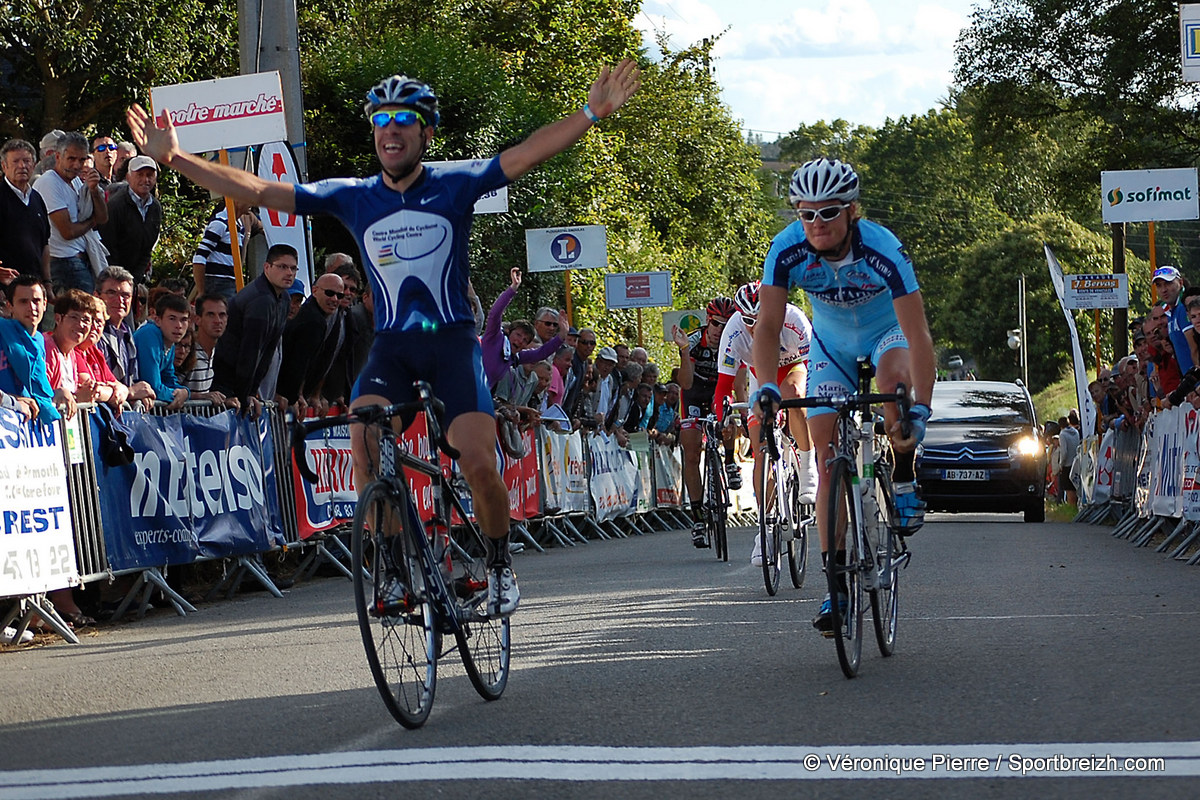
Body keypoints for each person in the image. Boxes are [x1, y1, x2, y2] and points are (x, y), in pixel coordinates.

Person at [129, 60, 640, 618]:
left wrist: (592, 113)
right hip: (392, 348)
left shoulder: (455, 184)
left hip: (451, 345)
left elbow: (525, 153)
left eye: (404, 120)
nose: (390, 131)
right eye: (381, 122)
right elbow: (258, 188)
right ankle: (394, 570)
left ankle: (498, 566)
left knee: (478, 463)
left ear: (425, 132)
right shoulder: (355, 196)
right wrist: (175, 158)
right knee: (365, 440)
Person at [755, 157, 935, 634]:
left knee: (894, 391)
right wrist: (768, 384)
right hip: (830, 346)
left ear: (852, 211)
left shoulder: (883, 249)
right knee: (828, 456)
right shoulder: (786, 248)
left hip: (887, 336)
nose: (816, 224)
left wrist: (922, 407)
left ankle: (902, 469)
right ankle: (835, 589)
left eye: (829, 212)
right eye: (805, 213)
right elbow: (769, 325)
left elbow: (918, 336)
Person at [714, 281, 817, 567]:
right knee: (760, 447)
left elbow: (815, 365)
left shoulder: (793, 318)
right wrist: (722, 414)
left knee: (795, 396)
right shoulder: (733, 331)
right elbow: (723, 386)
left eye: (759, 317)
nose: (753, 324)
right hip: (761, 374)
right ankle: (764, 527)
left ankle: (808, 465)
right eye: (747, 319)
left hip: (794, 367)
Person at [209, 244, 297, 411]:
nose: (289, 273)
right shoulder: (260, 300)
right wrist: (245, 396)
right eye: (282, 267)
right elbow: (250, 352)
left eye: (293, 268)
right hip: (226, 382)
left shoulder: (283, 298)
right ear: (267, 267)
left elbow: (269, 350)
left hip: (244, 386)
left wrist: (252, 391)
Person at [680, 297, 739, 546]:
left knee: (728, 413)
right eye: (716, 324)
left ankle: (729, 460)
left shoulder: (736, 340)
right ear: (708, 320)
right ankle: (697, 518)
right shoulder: (693, 341)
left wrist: (740, 414)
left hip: (720, 389)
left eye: (726, 325)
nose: (719, 330)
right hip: (694, 390)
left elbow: (740, 386)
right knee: (691, 454)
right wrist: (683, 352)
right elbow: (684, 383)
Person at [32, 131, 108, 293]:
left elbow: (102, 218)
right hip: (63, 263)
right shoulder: (49, 183)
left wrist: (94, 191)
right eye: (71, 159)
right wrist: (91, 221)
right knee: (84, 313)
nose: (76, 165)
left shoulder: (75, 180)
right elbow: (68, 231)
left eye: (81, 160)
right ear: (58, 156)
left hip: (79, 259)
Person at [278, 271, 354, 413]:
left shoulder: (324, 317)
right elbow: (299, 362)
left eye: (340, 295)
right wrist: (295, 396)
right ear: (314, 291)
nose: (335, 299)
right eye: (330, 293)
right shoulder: (313, 320)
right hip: (283, 398)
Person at [481, 267, 565, 386]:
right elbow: (494, 314)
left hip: (481, 394)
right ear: (510, 332)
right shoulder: (494, 337)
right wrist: (512, 289)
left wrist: (562, 335)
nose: (520, 341)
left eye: (525, 340)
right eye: (518, 335)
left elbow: (541, 353)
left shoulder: (515, 357)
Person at [0, 275, 63, 422]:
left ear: (45, 304)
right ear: (10, 306)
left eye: (36, 301)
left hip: (21, 427)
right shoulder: (2, 331)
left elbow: (34, 389)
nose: (32, 308)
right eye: (23, 302)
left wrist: (59, 393)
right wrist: (12, 401)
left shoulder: (39, 341)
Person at [97, 155, 162, 286]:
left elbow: (148, 247)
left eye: (150, 175)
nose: (145, 180)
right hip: (111, 274)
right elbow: (108, 246)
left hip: (135, 274)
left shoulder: (155, 207)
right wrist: (118, 278)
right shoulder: (116, 205)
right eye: (140, 175)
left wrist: (135, 278)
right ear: (128, 177)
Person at [1, 139, 52, 283]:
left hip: (35, 285)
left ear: (34, 165)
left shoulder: (37, 199)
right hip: (7, 288)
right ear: (4, 166)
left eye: (26, 161)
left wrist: (47, 282)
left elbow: (44, 245)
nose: (22, 166)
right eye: (16, 161)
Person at [191, 200, 263, 301]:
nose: (251, 202)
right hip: (218, 282)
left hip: (230, 281)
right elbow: (199, 257)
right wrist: (201, 290)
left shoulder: (239, 226)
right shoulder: (220, 223)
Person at [133, 292, 191, 411]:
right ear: (157, 320)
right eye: (172, 319)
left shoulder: (170, 342)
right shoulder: (149, 334)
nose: (178, 326)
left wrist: (185, 392)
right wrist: (177, 395)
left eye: (183, 320)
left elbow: (169, 379)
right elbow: (154, 387)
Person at [186, 293, 234, 407]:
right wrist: (201, 397)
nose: (218, 321)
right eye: (210, 315)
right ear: (198, 319)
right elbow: (170, 390)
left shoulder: (215, 352)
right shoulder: (187, 350)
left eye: (222, 315)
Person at [1152, 266, 1198, 372]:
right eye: (1159, 285)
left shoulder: (1184, 308)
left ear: (1180, 283)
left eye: (1168, 283)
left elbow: (1195, 348)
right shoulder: (1171, 312)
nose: (1163, 290)